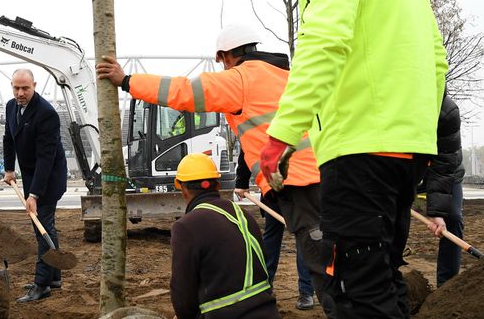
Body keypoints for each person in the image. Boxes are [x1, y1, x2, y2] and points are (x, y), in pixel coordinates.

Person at [259, 0, 449, 317]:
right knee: (382, 280)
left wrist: (282, 134)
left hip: (359, 152)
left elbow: (323, 41)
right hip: (408, 151)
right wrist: (416, 129)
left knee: (355, 290)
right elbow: (437, 63)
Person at [97, 23, 334, 318]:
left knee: (324, 266)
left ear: (224, 56)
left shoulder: (240, 78)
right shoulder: (288, 76)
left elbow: (183, 92)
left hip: (298, 182)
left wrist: (126, 81)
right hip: (327, 174)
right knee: (335, 255)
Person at [170, 153, 280, 319]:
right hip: (268, 312)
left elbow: (183, 295)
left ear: (182, 188)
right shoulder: (243, 215)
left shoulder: (186, 227)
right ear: (218, 185)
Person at [2, 69, 68, 303]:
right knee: (45, 226)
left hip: (49, 178)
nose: (20, 93)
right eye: (16, 88)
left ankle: (42, 284)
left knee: (42, 228)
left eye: (25, 88)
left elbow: (45, 158)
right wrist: (9, 169)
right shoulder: (11, 106)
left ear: (35, 86)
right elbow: (8, 138)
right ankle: (55, 277)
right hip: (32, 175)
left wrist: (34, 195)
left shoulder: (46, 114)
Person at [236, 152, 315, 310]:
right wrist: (242, 182)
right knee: (273, 236)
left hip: (298, 187)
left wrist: (242, 182)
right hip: (273, 188)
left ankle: (306, 291)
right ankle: (264, 285)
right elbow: (247, 150)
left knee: (302, 236)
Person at [419, 95, 466, 287]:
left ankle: (446, 286)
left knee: (452, 218)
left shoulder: (446, 110)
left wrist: (437, 212)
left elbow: (446, 163)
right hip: (407, 173)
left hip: (446, 172)